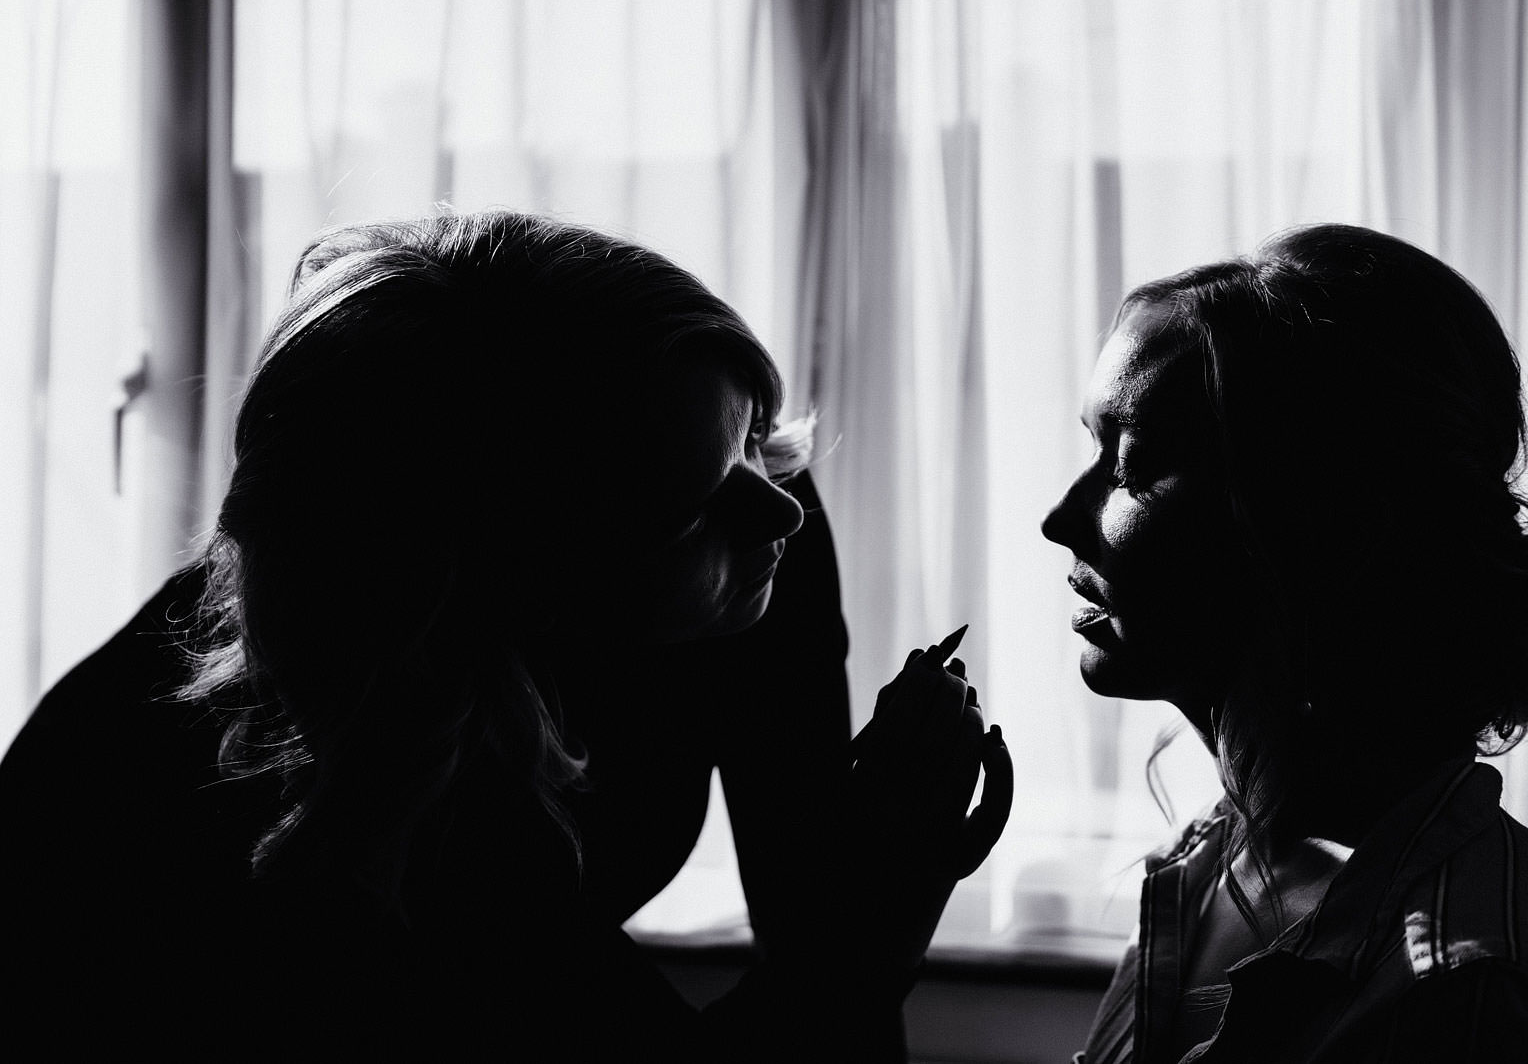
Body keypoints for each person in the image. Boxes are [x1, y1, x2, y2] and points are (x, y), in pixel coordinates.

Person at [0, 211, 1011, 1060]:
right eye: (692, 501)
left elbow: (806, 946)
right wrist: (879, 918)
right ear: (517, 559)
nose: (779, 510)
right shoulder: (332, 753)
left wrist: (866, 891)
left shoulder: (757, 525)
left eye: (753, 433)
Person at [1042, 224, 1528, 1063]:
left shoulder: (1476, 991)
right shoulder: (1208, 870)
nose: (1060, 520)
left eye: (1132, 463)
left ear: (1307, 527)